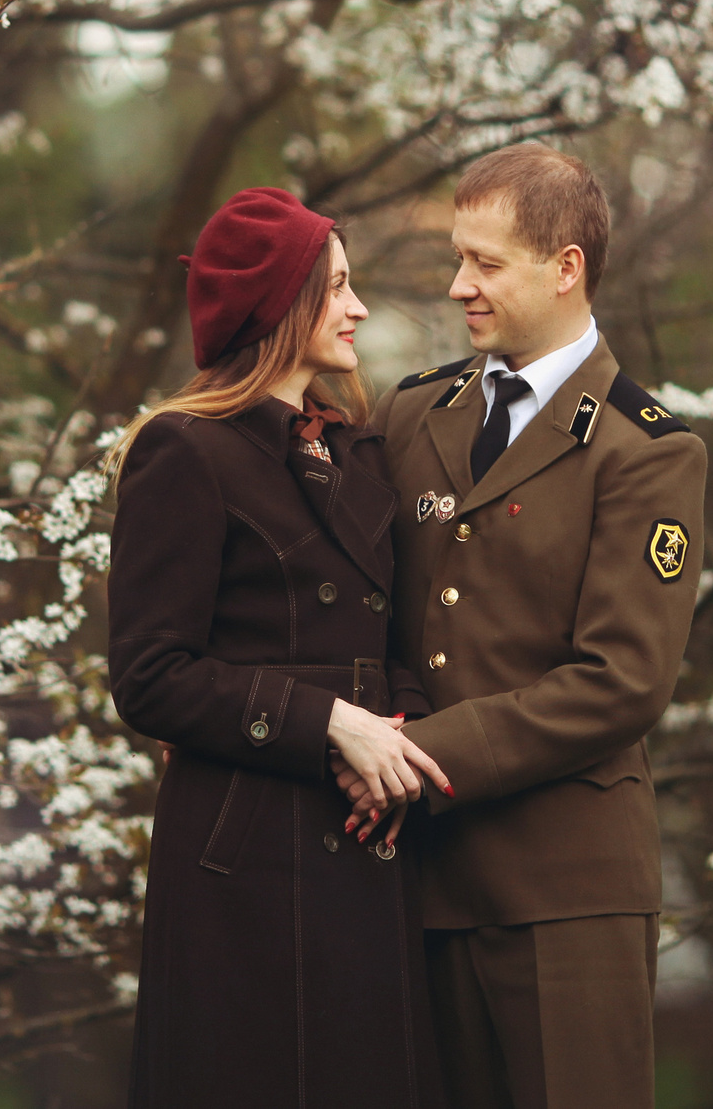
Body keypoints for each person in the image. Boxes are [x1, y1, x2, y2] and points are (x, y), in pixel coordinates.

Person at [355, 144, 709, 1109]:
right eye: (459, 257)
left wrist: (416, 754)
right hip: (418, 888)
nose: (459, 285)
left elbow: (623, 679)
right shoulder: (411, 414)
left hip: (568, 895)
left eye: (487, 263)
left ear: (566, 268)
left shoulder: (649, 452)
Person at [109, 186, 452, 1109]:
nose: (359, 307)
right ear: (281, 302)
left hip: (363, 837)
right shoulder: (184, 450)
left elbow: (395, 637)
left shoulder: (359, 454)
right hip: (243, 865)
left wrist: (394, 737)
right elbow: (148, 675)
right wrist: (331, 724)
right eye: (336, 287)